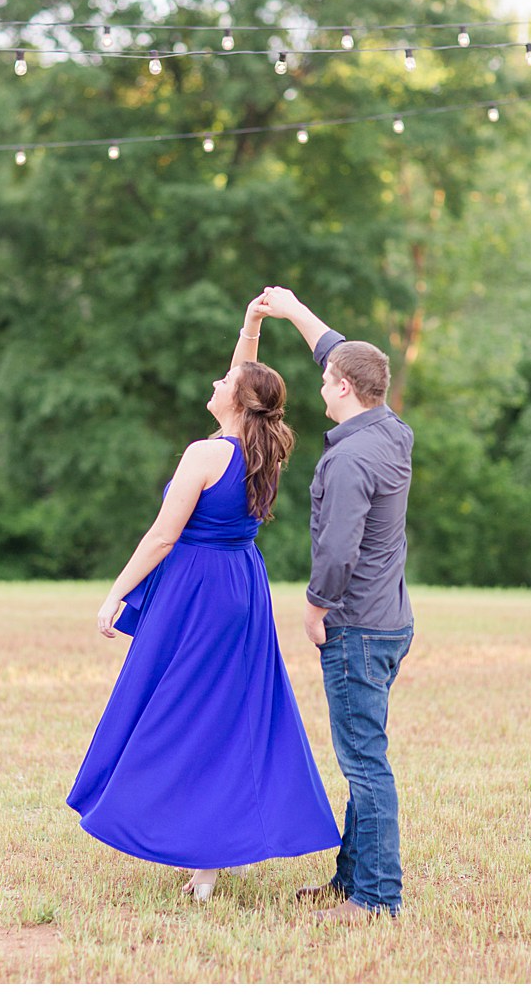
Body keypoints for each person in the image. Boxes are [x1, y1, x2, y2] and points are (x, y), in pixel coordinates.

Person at [67, 295, 341, 900]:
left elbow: (164, 534)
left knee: (185, 716)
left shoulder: (206, 453)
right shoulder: (261, 450)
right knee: (235, 713)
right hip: (242, 587)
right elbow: (249, 379)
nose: (216, 380)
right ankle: (234, 842)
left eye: (225, 380)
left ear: (238, 401)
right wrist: (251, 327)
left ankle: (206, 859)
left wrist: (117, 591)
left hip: (198, 592)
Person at [257, 286, 415, 925]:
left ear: (346, 389)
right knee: (362, 751)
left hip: (355, 626)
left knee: (364, 763)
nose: (321, 384)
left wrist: (316, 607)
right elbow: (339, 350)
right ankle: (350, 882)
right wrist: (293, 310)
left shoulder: (350, 459)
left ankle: (376, 899)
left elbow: (339, 551)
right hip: (391, 622)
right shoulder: (391, 429)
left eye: (327, 379)